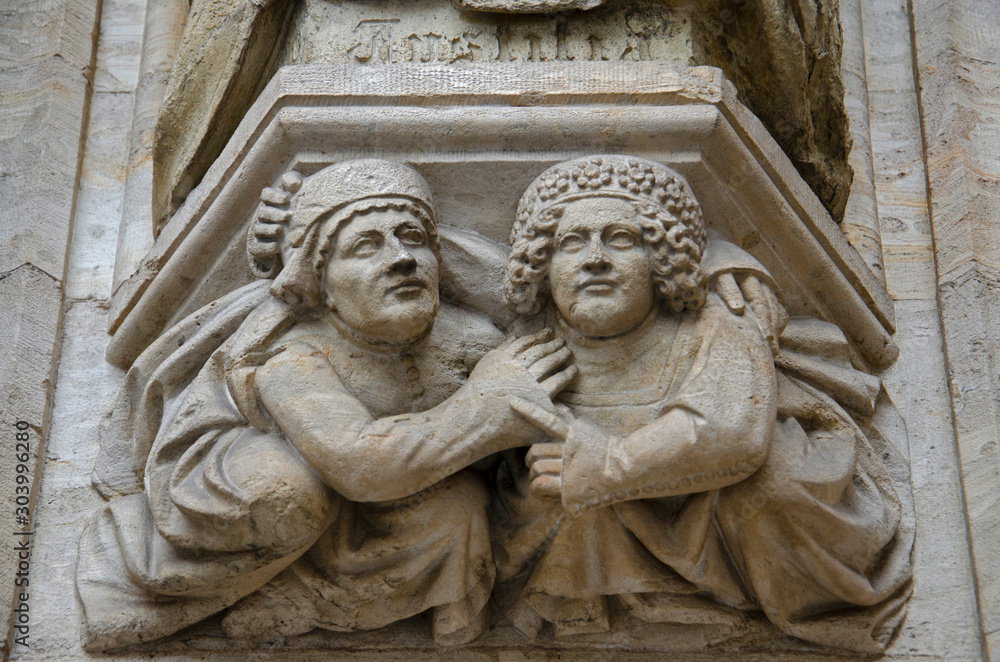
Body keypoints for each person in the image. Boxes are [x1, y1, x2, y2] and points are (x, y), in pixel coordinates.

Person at [77, 159, 576, 650]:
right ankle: (281, 588)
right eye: (365, 246)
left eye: (415, 238)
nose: (402, 258)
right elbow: (359, 465)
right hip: (283, 500)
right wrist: (484, 410)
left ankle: (351, 599)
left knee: (465, 508)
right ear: (322, 283)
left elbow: (538, 337)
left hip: (394, 506)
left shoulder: (470, 339)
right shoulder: (291, 355)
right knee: (283, 491)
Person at [493, 155, 913, 652]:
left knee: (771, 482)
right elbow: (450, 264)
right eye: (570, 243)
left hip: (742, 515)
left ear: (663, 259)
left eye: (622, 239)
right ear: (539, 267)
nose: (595, 259)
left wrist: (606, 465)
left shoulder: (718, 317)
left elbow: (731, 432)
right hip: (594, 517)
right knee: (545, 483)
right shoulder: (524, 344)